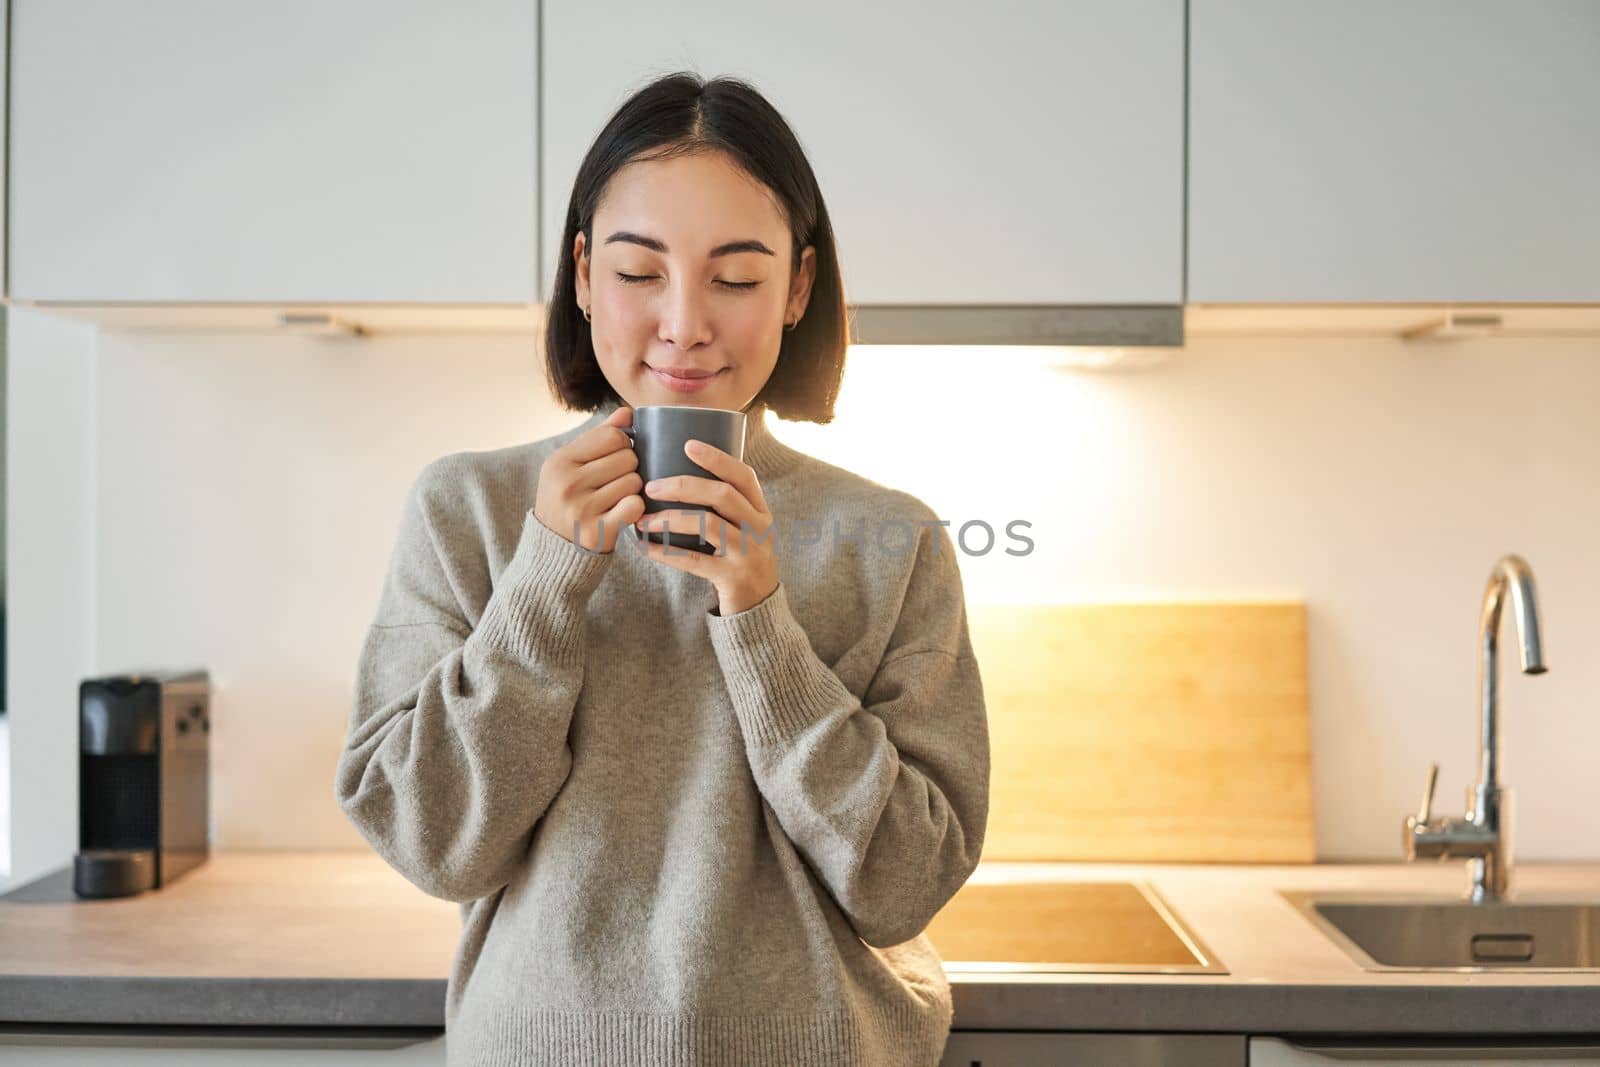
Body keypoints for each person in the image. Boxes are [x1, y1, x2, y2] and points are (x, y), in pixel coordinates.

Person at [334, 71, 990, 1067]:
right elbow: (434, 843)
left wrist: (762, 616)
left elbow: (902, 883)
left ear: (798, 288)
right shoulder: (464, 507)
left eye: (735, 278)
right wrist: (543, 584)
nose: (685, 322)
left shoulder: (891, 537)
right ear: (586, 274)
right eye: (641, 272)